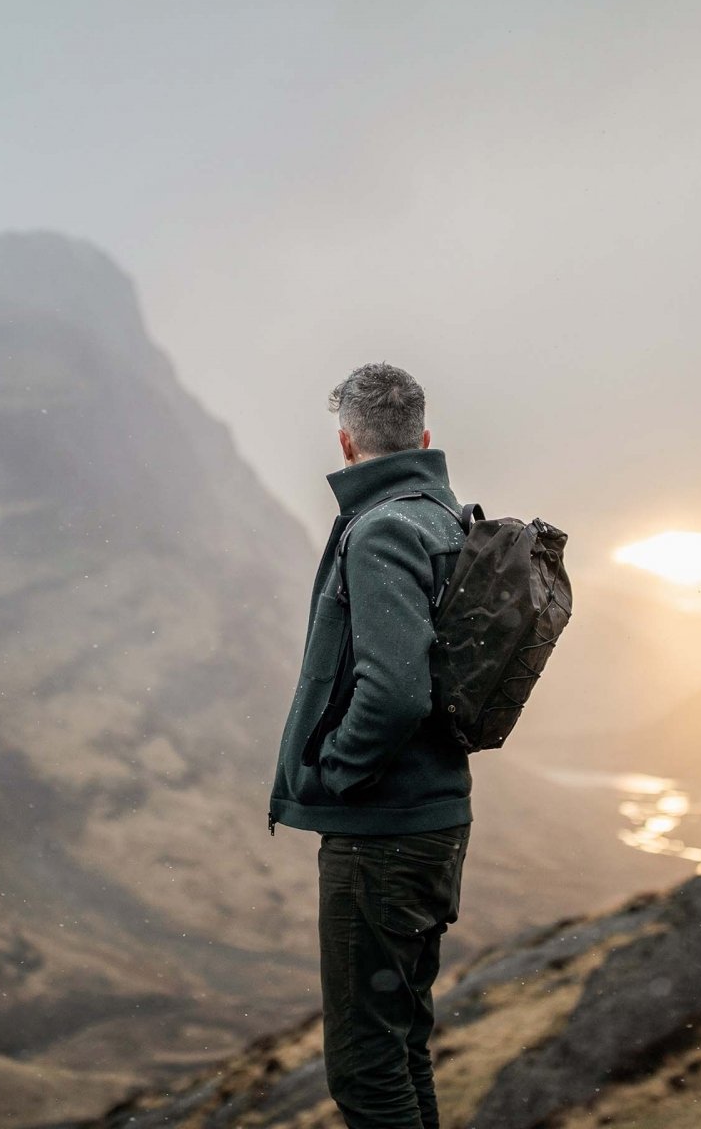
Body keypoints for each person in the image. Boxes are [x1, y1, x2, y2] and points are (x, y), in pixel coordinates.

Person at [268, 361, 473, 1129]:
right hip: (432, 821)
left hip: (385, 835)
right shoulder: (440, 516)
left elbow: (395, 691)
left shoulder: (383, 527)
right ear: (422, 438)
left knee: (363, 1065)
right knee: (401, 1042)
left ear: (347, 444)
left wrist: (336, 774)